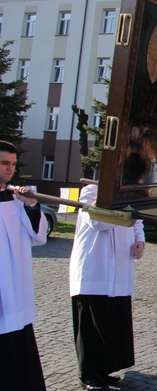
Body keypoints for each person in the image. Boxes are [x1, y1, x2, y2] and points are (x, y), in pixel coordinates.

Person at [69, 184, 145, 390]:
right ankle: (88, 374)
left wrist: (140, 240)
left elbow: (137, 220)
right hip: (94, 270)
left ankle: (103, 370)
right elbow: (98, 223)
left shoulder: (128, 194)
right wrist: (121, 205)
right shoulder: (91, 192)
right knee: (91, 326)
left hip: (119, 269)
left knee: (111, 323)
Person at [0, 140, 48, 391]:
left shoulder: (16, 199)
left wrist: (31, 205)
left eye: (13, 164)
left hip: (16, 286)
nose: (10, 169)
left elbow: (38, 237)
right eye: (5, 163)